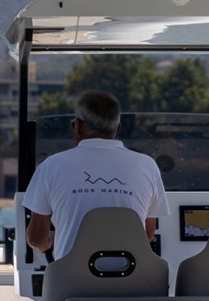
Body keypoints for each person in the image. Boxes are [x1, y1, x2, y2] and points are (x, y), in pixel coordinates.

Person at [22, 90, 170, 258]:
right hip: (130, 280)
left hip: (72, 282)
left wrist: (52, 241)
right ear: (118, 129)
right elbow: (147, 234)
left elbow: (36, 239)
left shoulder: (50, 166)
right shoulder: (147, 165)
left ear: (77, 126)